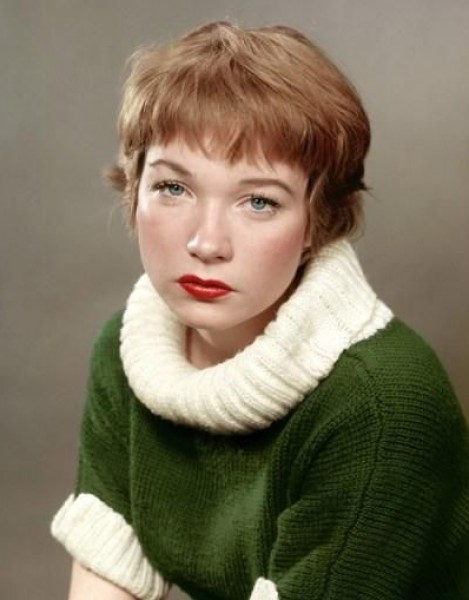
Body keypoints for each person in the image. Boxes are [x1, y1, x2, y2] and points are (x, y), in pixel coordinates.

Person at [51, 21, 469, 600]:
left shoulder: (380, 404)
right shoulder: (126, 350)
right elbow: (106, 577)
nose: (206, 242)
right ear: (134, 188)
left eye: (258, 201)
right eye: (173, 188)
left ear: (317, 222)